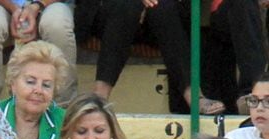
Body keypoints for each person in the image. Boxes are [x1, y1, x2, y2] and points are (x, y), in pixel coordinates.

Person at [75, 0, 224, 114]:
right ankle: (100, 96)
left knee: (162, 7)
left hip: (159, 18)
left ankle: (193, 95)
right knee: (127, 5)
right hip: (111, 14)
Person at [0, 1, 77, 106]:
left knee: (57, 27)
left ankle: (63, 109)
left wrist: (37, 6)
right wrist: (14, 8)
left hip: (51, 3)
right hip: (1, 4)